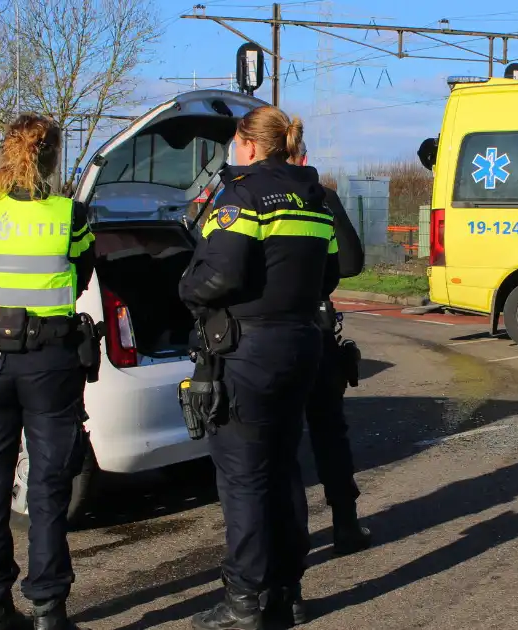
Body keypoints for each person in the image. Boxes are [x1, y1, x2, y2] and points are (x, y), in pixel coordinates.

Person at [180, 105, 338, 630]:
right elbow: (333, 272)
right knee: (284, 469)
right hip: (301, 344)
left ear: (248, 145)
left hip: (249, 351)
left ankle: (244, 602)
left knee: (244, 479)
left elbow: (220, 275)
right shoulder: (314, 197)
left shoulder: (242, 195)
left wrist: (185, 286)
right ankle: (289, 592)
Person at [0, 114, 96, 630]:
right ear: (54, 156)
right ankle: (49, 609)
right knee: (47, 485)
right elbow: (81, 277)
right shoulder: (72, 215)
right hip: (51, 361)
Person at [289, 142, 372, 555]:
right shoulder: (323, 198)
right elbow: (352, 261)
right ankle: (345, 524)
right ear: (303, 158)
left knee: (279, 446)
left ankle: (290, 551)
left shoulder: (247, 198)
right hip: (317, 328)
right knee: (329, 432)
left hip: (270, 337)